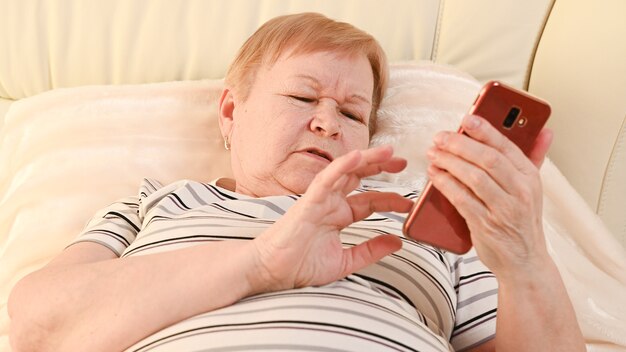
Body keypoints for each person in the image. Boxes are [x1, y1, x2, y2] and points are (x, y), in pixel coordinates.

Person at [8, 12, 584, 352]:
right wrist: (260, 265)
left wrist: (524, 255)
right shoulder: (160, 202)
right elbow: (37, 327)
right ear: (232, 111)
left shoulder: (423, 218)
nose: (327, 121)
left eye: (354, 113)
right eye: (303, 96)